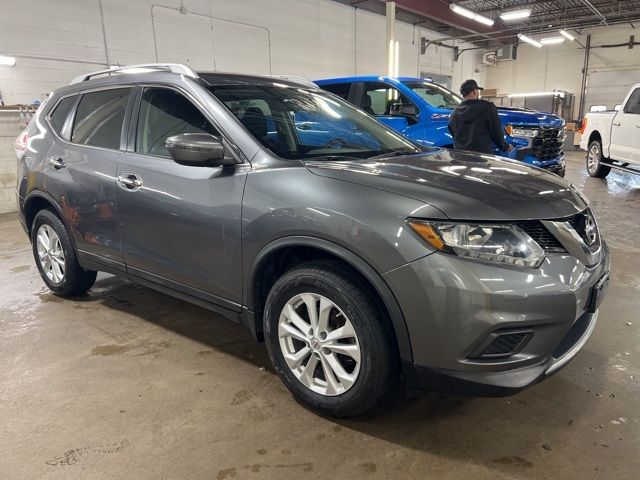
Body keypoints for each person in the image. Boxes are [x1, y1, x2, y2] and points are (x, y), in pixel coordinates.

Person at [448, 79, 513, 154]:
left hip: (460, 155)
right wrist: (505, 147)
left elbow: (452, 131)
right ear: (474, 91)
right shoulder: (488, 108)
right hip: (481, 157)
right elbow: (496, 132)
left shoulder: (455, 111)